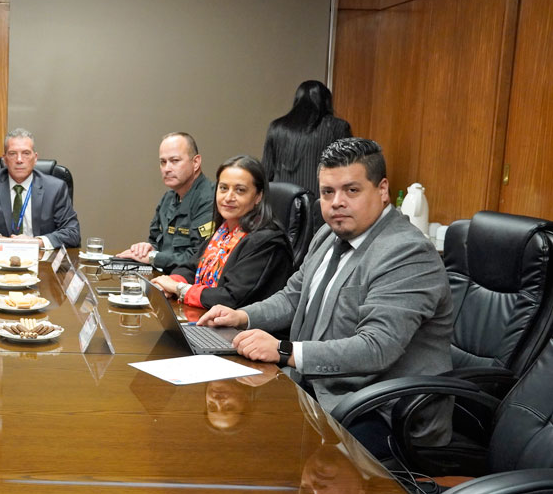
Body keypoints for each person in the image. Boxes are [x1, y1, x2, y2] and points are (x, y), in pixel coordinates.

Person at [199, 138, 452, 456]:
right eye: (328, 192)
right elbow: (293, 297)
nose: (337, 203)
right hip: (317, 387)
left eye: (352, 190)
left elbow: (376, 348)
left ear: (383, 190)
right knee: (230, 429)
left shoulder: (406, 252)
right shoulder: (328, 234)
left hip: (380, 411)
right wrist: (242, 316)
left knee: (267, 455)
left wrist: (284, 350)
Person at [151, 155, 292, 309]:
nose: (228, 197)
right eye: (223, 188)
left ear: (258, 196)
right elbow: (190, 267)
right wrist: (169, 284)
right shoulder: (224, 232)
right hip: (206, 316)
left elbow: (230, 298)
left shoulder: (267, 242)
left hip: (239, 323)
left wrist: (179, 289)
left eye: (240, 190)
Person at [0, 128, 80, 248]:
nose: (19, 160)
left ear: (35, 158)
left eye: (26, 153)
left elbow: (73, 233)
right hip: (0, 255)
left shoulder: (55, 188)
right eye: (12, 154)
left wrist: (37, 242)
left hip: (40, 257)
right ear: (5, 159)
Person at [118, 132, 214, 271]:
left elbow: (199, 258)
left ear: (196, 162)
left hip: (186, 280)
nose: (167, 169)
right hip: (162, 276)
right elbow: (155, 241)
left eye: (175, 161)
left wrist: (154, 257)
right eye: (163, 162)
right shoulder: (168, 198)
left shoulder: (209, 199)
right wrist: (147, 249)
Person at [261, 80, 352, 202]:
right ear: (326, 102)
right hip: (320, 202)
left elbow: (266, 173)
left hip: (281, 202)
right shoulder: (337, 127)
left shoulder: (277, 127)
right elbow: (348, 171)